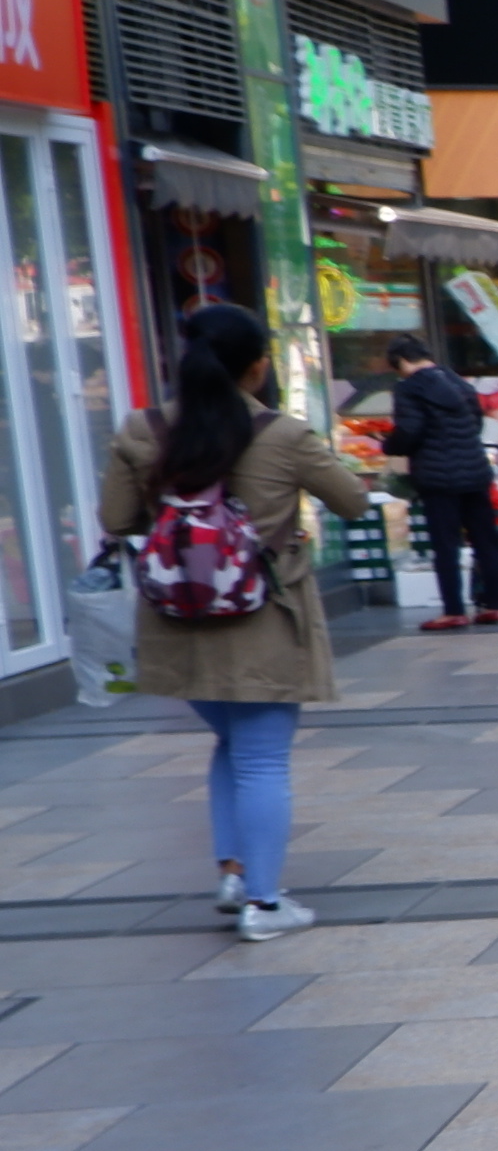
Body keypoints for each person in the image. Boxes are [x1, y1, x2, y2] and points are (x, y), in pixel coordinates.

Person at [98, 304, 376, 942]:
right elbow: (354, 501)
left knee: (231, 746)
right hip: (264, 619)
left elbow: (116, 520)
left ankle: (234, 872)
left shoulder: (141, 429)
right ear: (257, 367)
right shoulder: (284, 435)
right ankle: (265, 904)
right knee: (261, 759)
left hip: (176, 620)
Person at [381, 339, 498, 633]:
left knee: (445, 545)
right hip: (475, 470)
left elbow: (410, 431)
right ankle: (495, 605)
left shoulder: (409, 388)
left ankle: (453, 611)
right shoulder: (457, 381)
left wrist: (389, 445)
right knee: (485, 540)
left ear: (402, 361)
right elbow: (476, 423)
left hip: (437, 476)